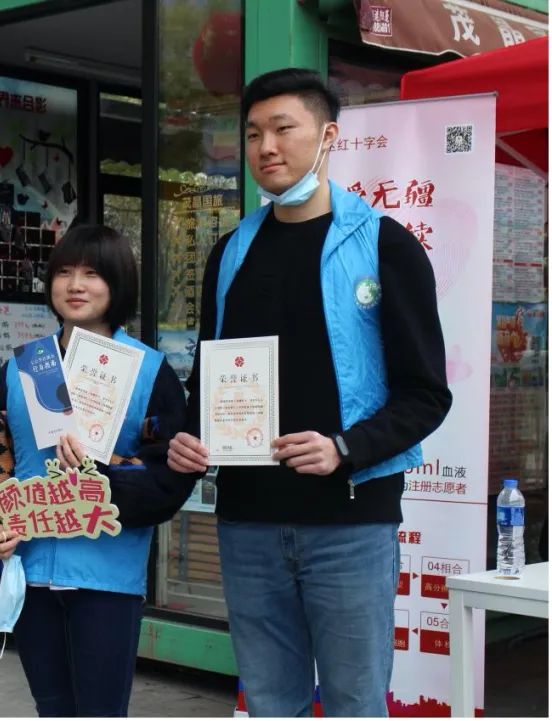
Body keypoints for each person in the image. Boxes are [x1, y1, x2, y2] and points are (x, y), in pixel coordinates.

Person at [167, 68, 452, 717]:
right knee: (270, 703)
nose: (266, 147)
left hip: (350, 523)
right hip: (247, 524)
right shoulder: (229, 254)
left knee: (355, 702)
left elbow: (426, 395)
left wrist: (344, 448)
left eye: (283, 128)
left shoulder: (385, 245)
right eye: (252, 134)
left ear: (327, 136)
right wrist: (189, 436)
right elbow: (208, 379)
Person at [0, 224, 196, 717]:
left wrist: (98, 476)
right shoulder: (24, 367)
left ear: (117, 283)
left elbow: (167, 481)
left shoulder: (147, 370)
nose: (75, 285)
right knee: (51, 709)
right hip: (32, 573)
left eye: (92, 273)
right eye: (64, 272)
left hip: (107, 579)